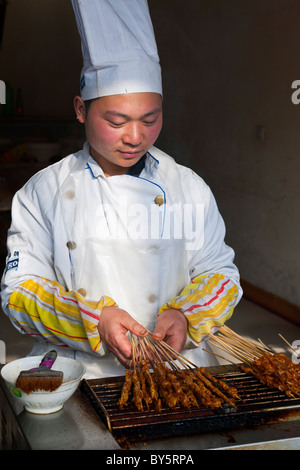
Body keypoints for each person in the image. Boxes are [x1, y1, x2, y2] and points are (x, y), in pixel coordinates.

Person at [0, 0, 242, 378]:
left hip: (176, 368)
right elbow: (18, 293)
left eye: (150, 119)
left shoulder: (187, 187)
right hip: (84, 374)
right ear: (81, 109)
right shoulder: (43, 192)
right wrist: (95, 321)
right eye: (116, 120)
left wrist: (185, 315)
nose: (135, 137)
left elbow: (220, 274)